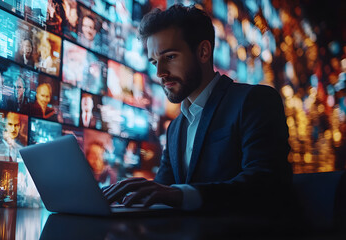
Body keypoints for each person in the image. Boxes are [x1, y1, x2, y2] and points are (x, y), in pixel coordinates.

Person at [103, 5, 292, 215]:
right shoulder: (175, 128)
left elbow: (265, 185)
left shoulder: (254, 101)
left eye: (170, 57)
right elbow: (161, 193)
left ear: (203, 51)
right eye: (155, 62)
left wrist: (179, 194)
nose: (160, 72)